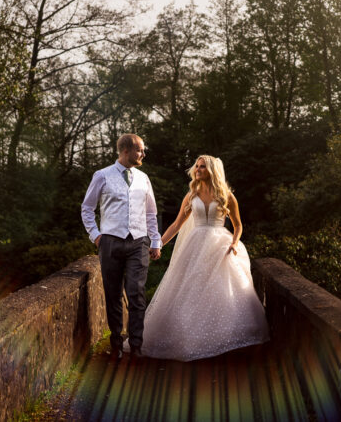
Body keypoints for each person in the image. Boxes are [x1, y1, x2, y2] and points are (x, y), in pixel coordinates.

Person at [140, 155, 269, 361]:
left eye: (202, 167)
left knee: (223, 290)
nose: (197, 170)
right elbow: (176, 225)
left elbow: (238, 225)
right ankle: (189, 337)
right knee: (191, 288)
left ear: (212, 170)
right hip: (195, 245)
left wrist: (234, 243)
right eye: (197, 167)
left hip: (220, 246)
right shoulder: (192, 195)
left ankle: (224, 339)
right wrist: (159, 243)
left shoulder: (226, 195)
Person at [81, 133, 161, 359]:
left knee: (136, 293)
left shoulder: (143, 178)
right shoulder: (102, 176)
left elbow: (151, 213)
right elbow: (87, 208)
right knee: (113, 293)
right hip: (110, 242)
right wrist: (96, 235)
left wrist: (155, 241)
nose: (143, 154)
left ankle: (136, 346)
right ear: (126, 151)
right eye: (140, 150)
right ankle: (116, 343)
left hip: (138, 242)